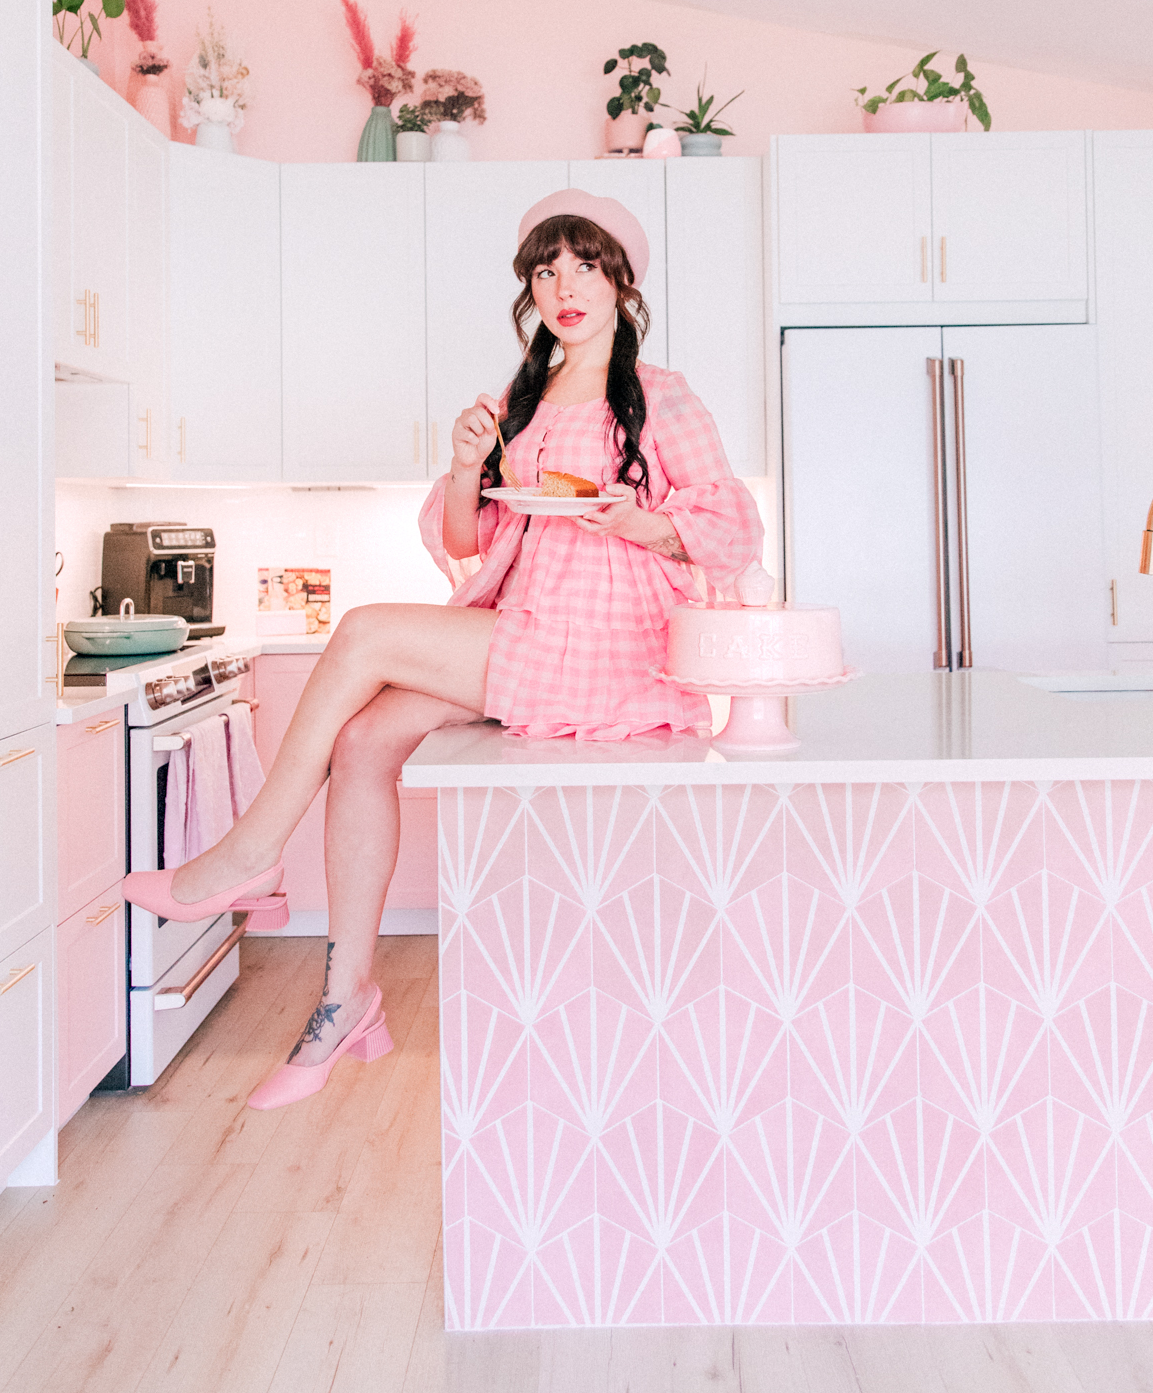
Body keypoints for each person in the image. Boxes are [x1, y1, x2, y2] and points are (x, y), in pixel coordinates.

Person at [123, 189, 764, 1107]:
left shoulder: (664, 395)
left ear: (621, 281)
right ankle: (344, 1005)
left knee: (366, 629)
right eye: (546, 270)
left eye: (584, 265)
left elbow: (732, 529)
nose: (564, 287)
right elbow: (467, 542)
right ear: (530, 289)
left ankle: (246, 855)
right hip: (530, 629)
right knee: (362, 741)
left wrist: (644, 523)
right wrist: (467, 465)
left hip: (609, 645)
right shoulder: (521, 399)